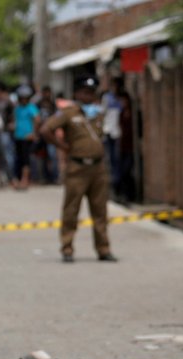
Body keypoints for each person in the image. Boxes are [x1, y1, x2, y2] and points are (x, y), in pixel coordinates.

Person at [40, 75, 116, 263]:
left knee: (100, 211)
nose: (88, 96)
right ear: (77, 93)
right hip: (77, 167)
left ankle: (103, 248)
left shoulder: (97, 114)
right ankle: (67, 248)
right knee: (71, 209)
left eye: (91, 93)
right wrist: (63, 147)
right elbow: (45, 130)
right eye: (85, 92)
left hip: (98, 168)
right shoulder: (68, 113)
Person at [12, 85, 40, 190]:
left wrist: (34, 133)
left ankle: (25, 180)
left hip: (27, 137)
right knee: (18, 159)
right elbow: (15, 120)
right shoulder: (17, 108)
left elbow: (37, 120)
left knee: (26, 159)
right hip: (18, 136)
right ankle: (18, 179)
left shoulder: (31, 107)